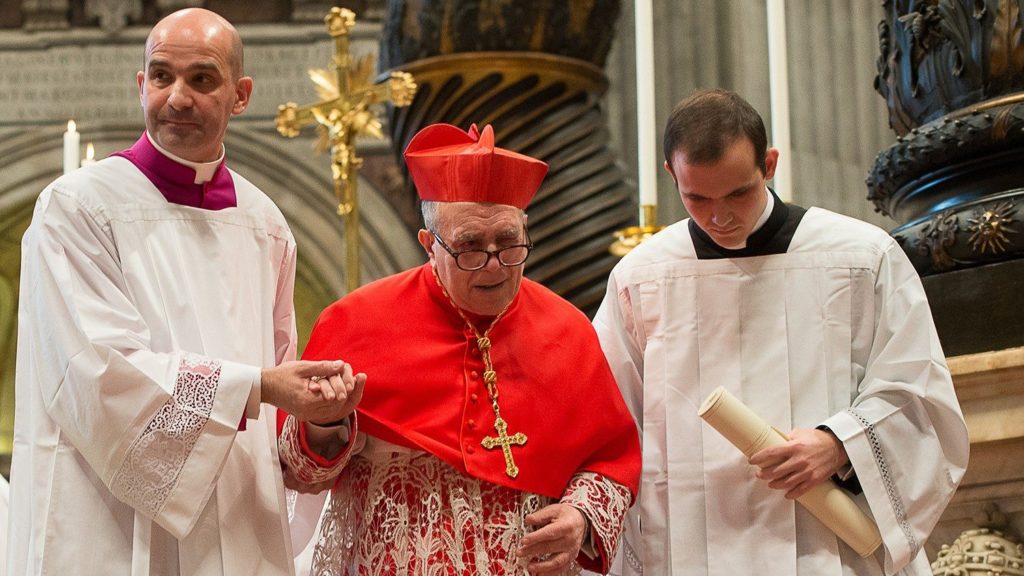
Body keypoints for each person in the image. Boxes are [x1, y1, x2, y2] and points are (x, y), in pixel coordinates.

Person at [8, 8, 362, 575]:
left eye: (202, 79)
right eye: (161, 76)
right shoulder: (76, 210)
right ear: (139, 84)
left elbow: (279, 407)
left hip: (240, 522)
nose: (177, 97)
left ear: (240, 94)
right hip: (110, 526)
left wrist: (319, 421)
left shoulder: (264, 225)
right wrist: (258, 386)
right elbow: (99, 375)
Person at [594, 89, 969, 575]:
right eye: (697, 198)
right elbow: (609, 420)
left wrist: (839, 444)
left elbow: (919, 392)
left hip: (826, 541)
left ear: (768, 164)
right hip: (688, 546)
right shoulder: (641, 278)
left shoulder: (859, 257)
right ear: (672, 175)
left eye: (738, 193)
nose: (719, 217)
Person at [278, 123, 642, 575]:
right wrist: (325, 422)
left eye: (509, 244)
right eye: (470, 246)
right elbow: (297, 472)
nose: (493, 265)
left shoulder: (566, 329)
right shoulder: (355, 324)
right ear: (429, 245)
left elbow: (610, 459)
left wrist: (580, 518)